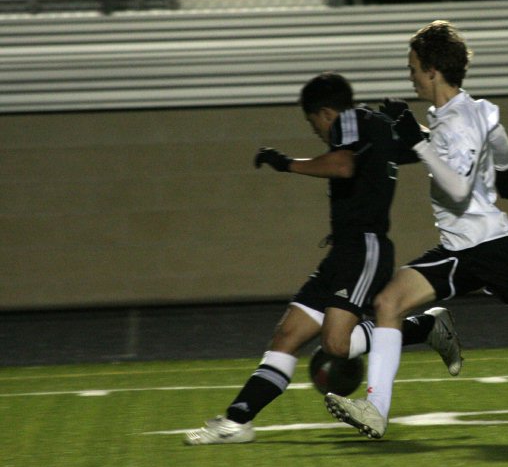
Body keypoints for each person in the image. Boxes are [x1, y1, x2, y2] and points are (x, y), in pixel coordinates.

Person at [323, 20, 508, 440]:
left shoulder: (459, 120)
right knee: (390, 301)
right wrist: (505, 168)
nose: (409, 75)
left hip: (490, 247)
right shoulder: (465, 112)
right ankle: (375, 409)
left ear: (432, 70)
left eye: (412, 67)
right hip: (459, 249)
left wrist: (415, 141)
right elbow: (497, 134)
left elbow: (460, 189)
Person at [184, 72, 462, 445]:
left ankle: (422, 328)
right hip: (343, 252)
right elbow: (427, 145)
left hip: (364, 248)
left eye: (312, 121)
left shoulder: (350, 121)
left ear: (326, 113)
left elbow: (342, 165)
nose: (316, 131)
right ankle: (237, 422)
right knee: (286, 336)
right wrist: (413, 128)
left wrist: (285, 163)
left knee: (336, 345)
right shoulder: (374, 126)